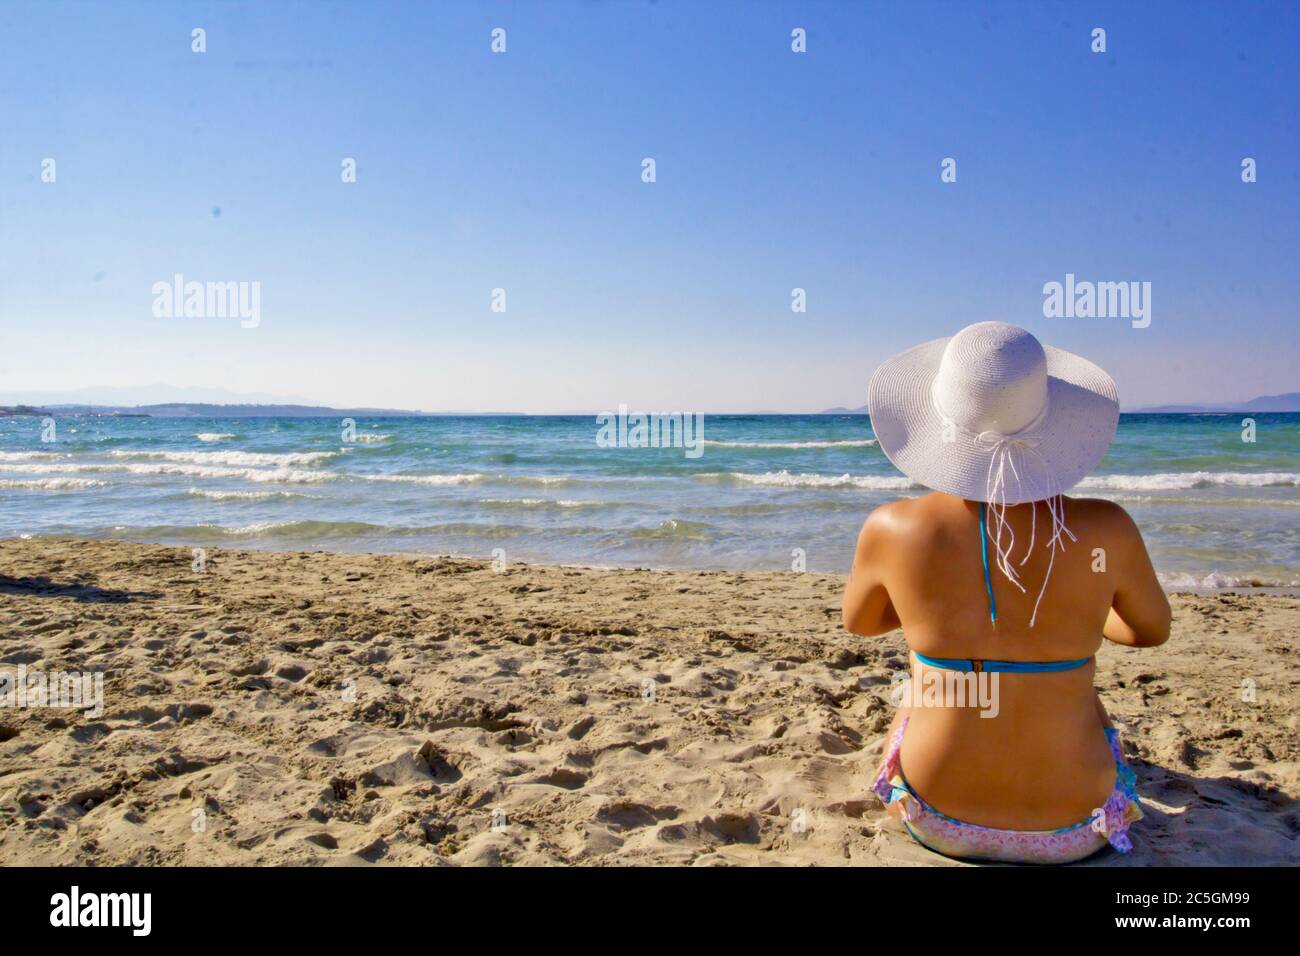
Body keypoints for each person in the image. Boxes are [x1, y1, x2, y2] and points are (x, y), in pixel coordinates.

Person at [843, 321, 1170, 864]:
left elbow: (862, 621)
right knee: (1086, 698)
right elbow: (1148, 631)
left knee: (920, 690)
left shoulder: (892, 527)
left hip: (935, 815)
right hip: (1077, 828)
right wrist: (1084, 619)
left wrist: (936, 615)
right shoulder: (1108, 527)